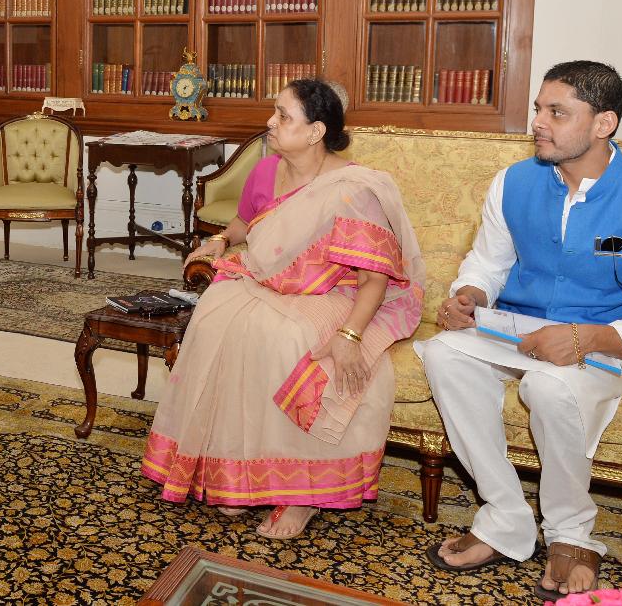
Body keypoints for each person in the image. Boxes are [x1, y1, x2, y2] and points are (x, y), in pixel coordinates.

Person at [416, 61, 622, 601]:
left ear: (603, 124)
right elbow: (488, 263)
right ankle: (505, 517)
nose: (538, 123)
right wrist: (471, 295)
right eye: (538, 109)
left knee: (549, 385)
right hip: (520, 333)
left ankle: (572, 535)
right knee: (443, 352)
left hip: (610, 346)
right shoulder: (514, 182)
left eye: (557, 112)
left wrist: (586, 338)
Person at [142, 79, 425, 539]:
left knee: (284, 339)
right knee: (215, 318)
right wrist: (219, 241)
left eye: (283, 115)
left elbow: (373, 279)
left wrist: (350, 335)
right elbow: (244, 222)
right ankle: (240, 477)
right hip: (267, 280)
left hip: (335, 293)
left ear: (315, 131)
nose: (270, 122)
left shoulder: (354, 189)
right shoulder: (266, 170)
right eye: (274, 112)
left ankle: (302, 494)